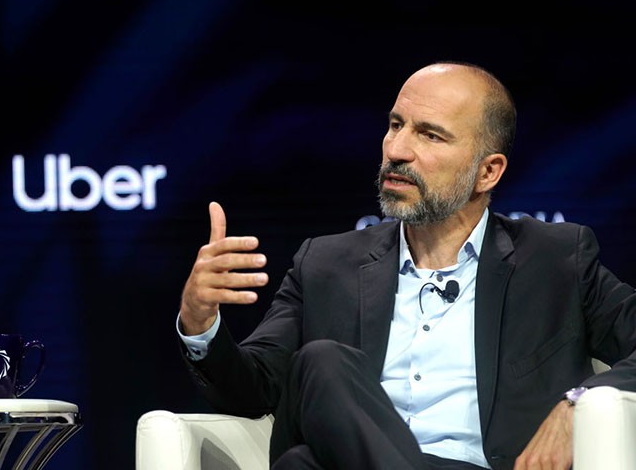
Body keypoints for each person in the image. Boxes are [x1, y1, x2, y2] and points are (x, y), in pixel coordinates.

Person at [176, 61, 636, 470]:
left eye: (429, 134)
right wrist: (201, 323)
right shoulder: (326, 263)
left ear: (488, 172)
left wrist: (580, 401)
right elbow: (252, 390)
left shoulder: (556, 260)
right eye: (395, 125)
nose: (397, 149)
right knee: (321, 363)